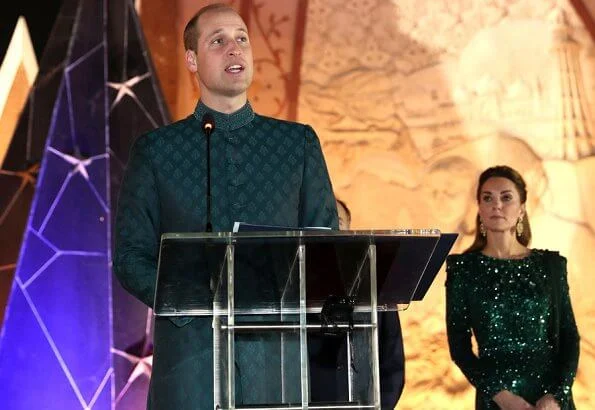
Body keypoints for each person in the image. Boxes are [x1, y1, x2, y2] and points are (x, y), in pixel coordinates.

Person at [113, 3, 338, 409]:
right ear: (192, 60)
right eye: (218, 41)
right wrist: (187, 300)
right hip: (188, 364)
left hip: (275, 364)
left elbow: (325, 247)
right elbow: (131, 258)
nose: (234, 49)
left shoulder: (297, 144)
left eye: (241, 39)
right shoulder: (156, 152)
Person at [445, 165, 580, 410]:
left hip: (549, 399)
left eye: (506, 197)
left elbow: (570, 336)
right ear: (480, 208)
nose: (496, 204)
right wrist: (502, 397)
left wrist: (557, 395)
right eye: (488, 198)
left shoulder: (550, 266)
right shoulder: (463, 269)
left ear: (521, 209)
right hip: (497, 398)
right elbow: (460, 349)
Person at [308, 198, 405, 409]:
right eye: (326, 221)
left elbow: (392, 359)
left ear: (350, 229)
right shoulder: (291, 286)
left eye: (338, 221)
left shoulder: (375, 285)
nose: (332, 227)